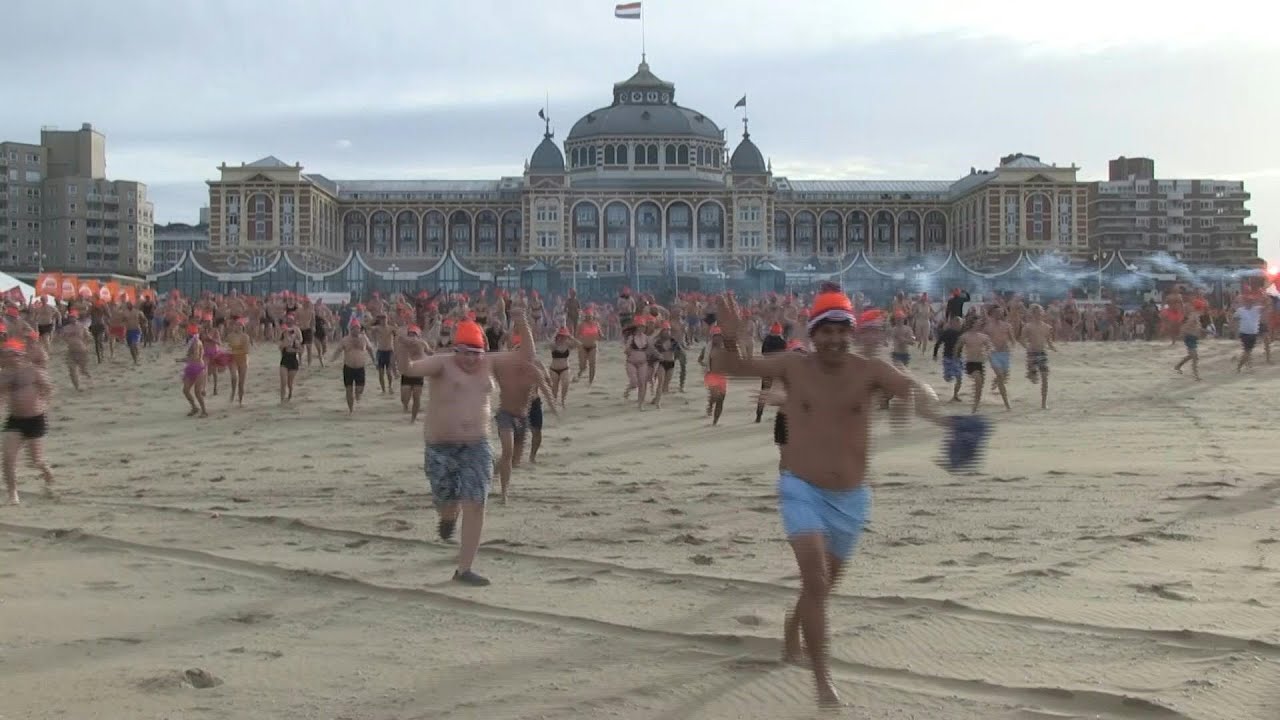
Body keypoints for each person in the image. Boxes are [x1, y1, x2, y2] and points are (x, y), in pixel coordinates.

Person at [710, 286, 945, 708]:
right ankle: (822, 681)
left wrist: (927, 398)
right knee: (815, 581)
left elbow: (911, 386)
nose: (835, 339)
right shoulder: (793, 365)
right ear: (813, 334)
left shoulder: (868, 370)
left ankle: (793, 624)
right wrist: (730, 337)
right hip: (801, 488)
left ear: (851, 332)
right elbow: (732, 365)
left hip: (851, 498)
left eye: (842, 330)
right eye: (826, 331)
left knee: (822, 588)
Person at [397, 313, 541, 586]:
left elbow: (525, 356)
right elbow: (408, 368)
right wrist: (401, 345)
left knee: (476, 501)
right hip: (441, 447)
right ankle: (448, 517)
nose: (471, 359)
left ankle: (464, 569)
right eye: (465, 353)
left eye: (476, 353)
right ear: (455, 349)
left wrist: (522, 323)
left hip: (477, 445)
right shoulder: (441, 363)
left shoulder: (489, 362)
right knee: (447, 502)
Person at [0, 339, 55, 505]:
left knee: (35, 460)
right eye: (5, 355)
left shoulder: (33, 371)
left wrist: (43, 403)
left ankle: (45, 470)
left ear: (19, 355)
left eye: (11, 354)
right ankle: (13, 493)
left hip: (35, 419)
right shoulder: (3, 375)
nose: (8, 358)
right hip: (15, 420)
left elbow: (49, 388)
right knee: (8, 457)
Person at [330, 320, 377, 413]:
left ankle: (358, 394)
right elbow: (338, 350)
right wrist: (333, 359)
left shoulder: (364, 338)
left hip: (360, 367)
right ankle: (351, 409)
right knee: (348, 390)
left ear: (360, 329)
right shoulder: (345, 339)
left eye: (357, 328)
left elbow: (370, 349)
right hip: (348, 367)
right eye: (354, 328)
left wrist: (374, 360)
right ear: (350, 329)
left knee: (360, 389)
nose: (356, 330)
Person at [1019, 304, 1057, 409]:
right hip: (1032, 353)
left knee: (1045, 377)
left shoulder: (1047, 327)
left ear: (1043, 313)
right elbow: (1021, 340)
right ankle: (1031, 373)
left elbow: (1049, 341)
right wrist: (1027, 348)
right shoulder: (1028, 326)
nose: (1039, 314)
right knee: (1034, 379)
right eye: (1036, 312)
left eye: (1040, 312)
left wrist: (1052, 347)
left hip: (1042, 353)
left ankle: (1044, 403)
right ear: (1033, 314)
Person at [755, 323, 787, 422]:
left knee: (764, 392)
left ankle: (758, 416)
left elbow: (763, 352)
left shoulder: (767, 339)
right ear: (780, 332)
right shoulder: (782, 342)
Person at [177, 324, 208, 418]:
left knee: (197, 392)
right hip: (191, 367)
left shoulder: (196, 342)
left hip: (198, 367)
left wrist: (183, 359)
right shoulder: (191, 341)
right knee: (186, 390)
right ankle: (194, 407)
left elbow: (195, 356)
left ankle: (204, 411)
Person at [1234, 294, 1263, 373]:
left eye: (1252, 301)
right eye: (1249, 301)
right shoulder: (1240, 310)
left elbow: (1267, 306)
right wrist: (1235, 330)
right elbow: (1235, 318)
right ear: (1245, 302)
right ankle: (1240, 367)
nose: (1250, 302)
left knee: (1248, 351)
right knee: (1247, 351)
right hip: (1244, 333)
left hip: (1253, 333)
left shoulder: (1256, 309)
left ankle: (1247, 366)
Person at [278, 315, 303, 403]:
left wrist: (293, 348)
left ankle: (290, 394)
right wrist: (285, 343)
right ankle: (282, 399)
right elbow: (280, 347)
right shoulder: (283, 338)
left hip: (293, 362)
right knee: (283, 382)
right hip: (284, 361)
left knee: (289, 383)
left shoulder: (296, 341)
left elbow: (300, 350)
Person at [1174, 310, 1204, 380]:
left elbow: (1198, 328)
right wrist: (1181, 335)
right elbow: (1185, 327)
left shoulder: (1195, 319)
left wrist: (1210, 331)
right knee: (1194, 357)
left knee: (1191, 356)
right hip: (1190, 339)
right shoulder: (1193, 318)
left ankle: (1178, 366)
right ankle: (1196, 375)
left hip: (1192, 339)